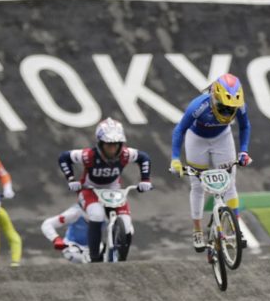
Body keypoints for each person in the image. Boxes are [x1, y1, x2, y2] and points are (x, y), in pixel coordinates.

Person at [169, 73, 252, 252]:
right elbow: (179, 130)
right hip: (196, 140)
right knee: (197, 186)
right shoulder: (199, 106)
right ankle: (197, 229)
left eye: (232, 109)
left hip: (223, 138)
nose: (228, 113)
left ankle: (235, 228)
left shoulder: (240, 104)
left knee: (229, 184)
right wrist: (175, 159)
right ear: (214, 98)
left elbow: (245, 125)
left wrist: (244, 150)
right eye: (224, 108)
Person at [58, 117, 152, 262]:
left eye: (116, 144)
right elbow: (64, 158)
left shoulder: (126, 154)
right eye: (108, 145)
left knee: (126, 225)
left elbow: (144, 157)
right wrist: (71, 179)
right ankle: (95, 256)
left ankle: (120, 256)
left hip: (114, 190)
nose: (112, 149)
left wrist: (145, 180)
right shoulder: (88, 155)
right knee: (96, 215)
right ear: (100, 144)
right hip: (90, 190)